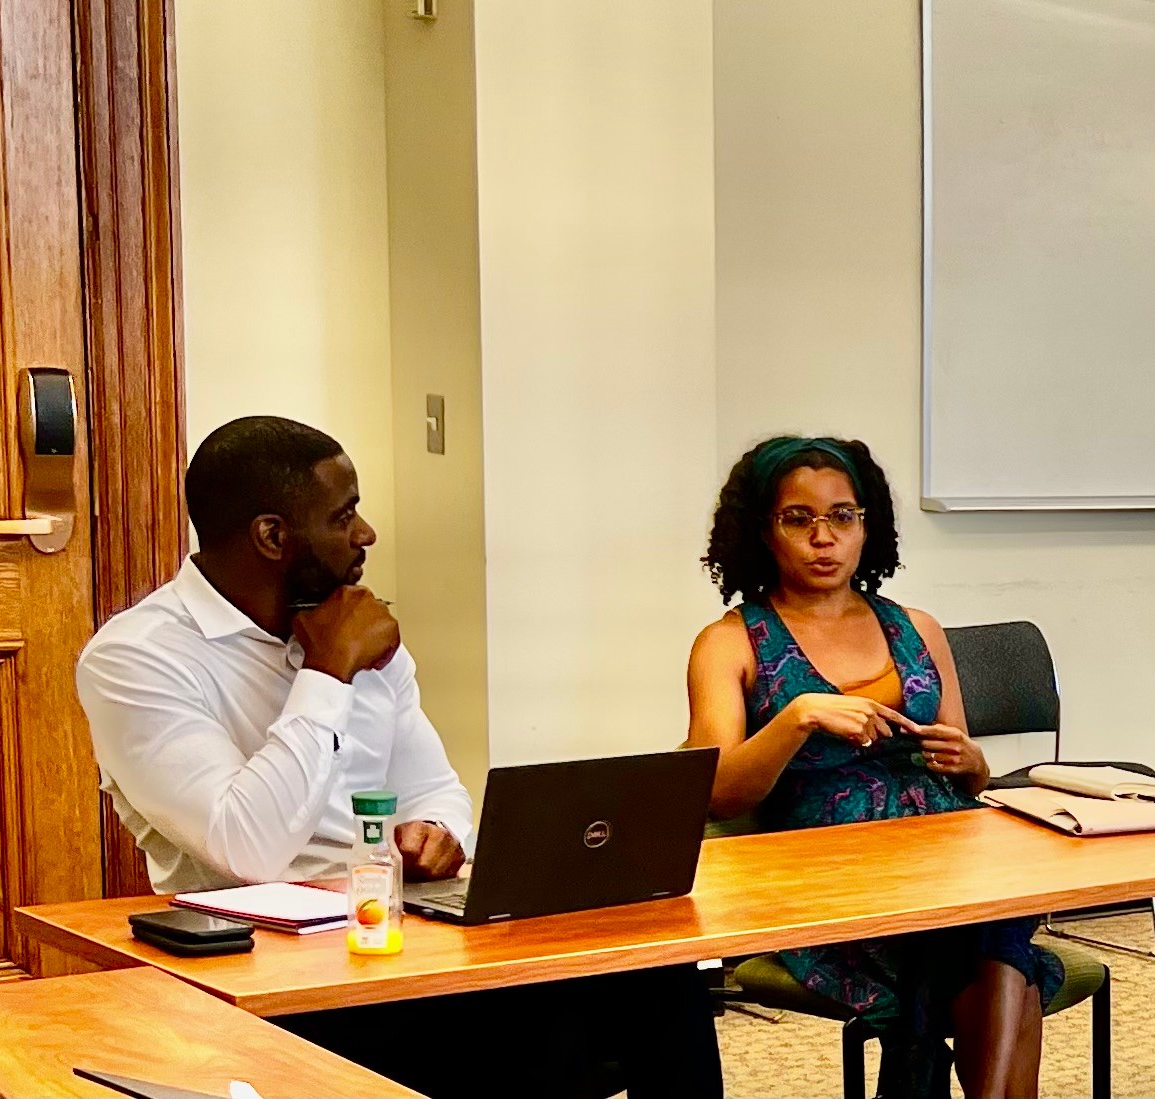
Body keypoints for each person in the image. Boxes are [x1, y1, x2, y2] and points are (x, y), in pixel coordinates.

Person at [78, 415, 721, 1099]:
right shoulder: (136, 659)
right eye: (343, 516)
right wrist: (327, 673)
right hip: (267, 975)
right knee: (526, 1034)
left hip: (401, 938)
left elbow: (435, 789)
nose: (367, 534)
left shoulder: (355, 628)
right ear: (272, 536)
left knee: (657, 974)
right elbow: (247, 846)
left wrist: (436, 832)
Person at [685, 435, 1061, 1099]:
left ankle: (916, 1057)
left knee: (988, 927)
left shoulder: (917, 627)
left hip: (946, 854)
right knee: (1004, 961)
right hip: (831, 874)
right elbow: (714, 796)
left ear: (868, 526)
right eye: (798, 519)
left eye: (843, 516)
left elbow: (968, 775)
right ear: (763, 531)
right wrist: (797, 717)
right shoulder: (730, 642)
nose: (823, 537)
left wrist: (973, 761)